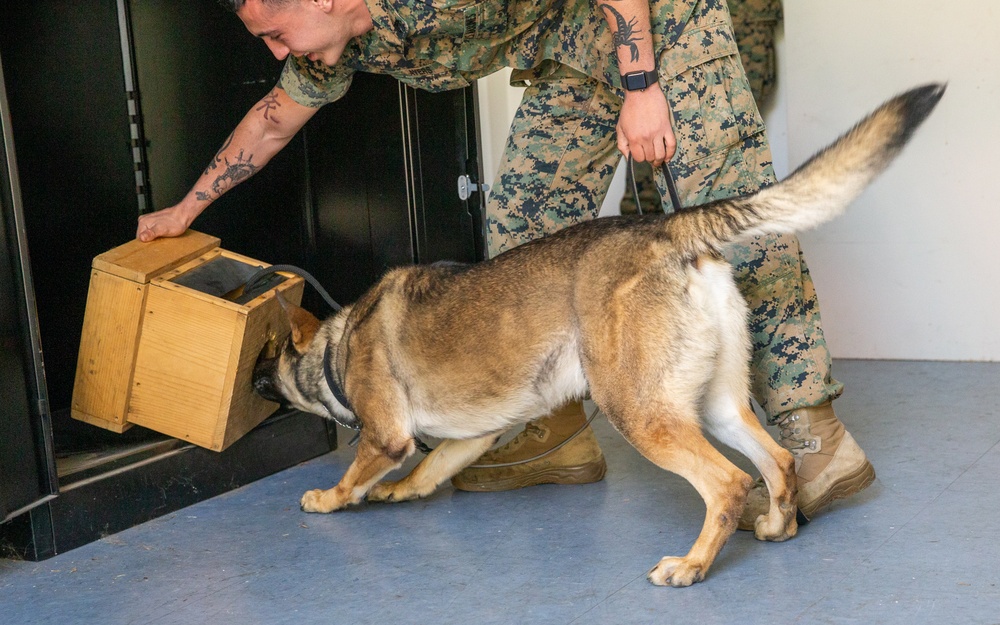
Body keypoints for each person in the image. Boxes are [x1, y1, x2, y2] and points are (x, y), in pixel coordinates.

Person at [136, 0, 874, 526]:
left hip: (657, 24)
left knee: (726, 216)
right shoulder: (338, 39)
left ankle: (812, 437)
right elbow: (272, 119)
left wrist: (643, 86)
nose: (275, 51)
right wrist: (184, 211)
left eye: (273, 31)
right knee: (523, 233)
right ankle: (549, 432)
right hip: (562, 44)